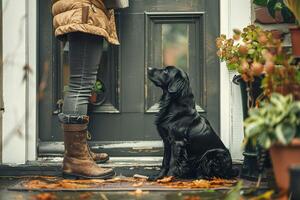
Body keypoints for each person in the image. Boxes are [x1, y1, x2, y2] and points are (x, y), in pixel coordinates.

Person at [52, 0, 128, 179]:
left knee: (81, 83)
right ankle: (76, 159)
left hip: (84, 9)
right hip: (85, 10)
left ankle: (79, 151)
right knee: (80, 85)